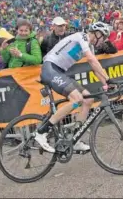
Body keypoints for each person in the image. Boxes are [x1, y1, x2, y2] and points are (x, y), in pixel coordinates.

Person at [33, 22, 112, 153]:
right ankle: (41, 132)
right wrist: (108, 79)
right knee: (77, 100)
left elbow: (95, 69)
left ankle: (76, 138)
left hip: (59, 72)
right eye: (103, 37)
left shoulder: (89, 47)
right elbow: (92, 60)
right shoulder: (82, 37)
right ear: (97, 34)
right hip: (50, 68)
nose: (104, 40)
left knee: (87, 99)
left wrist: (107, 83)